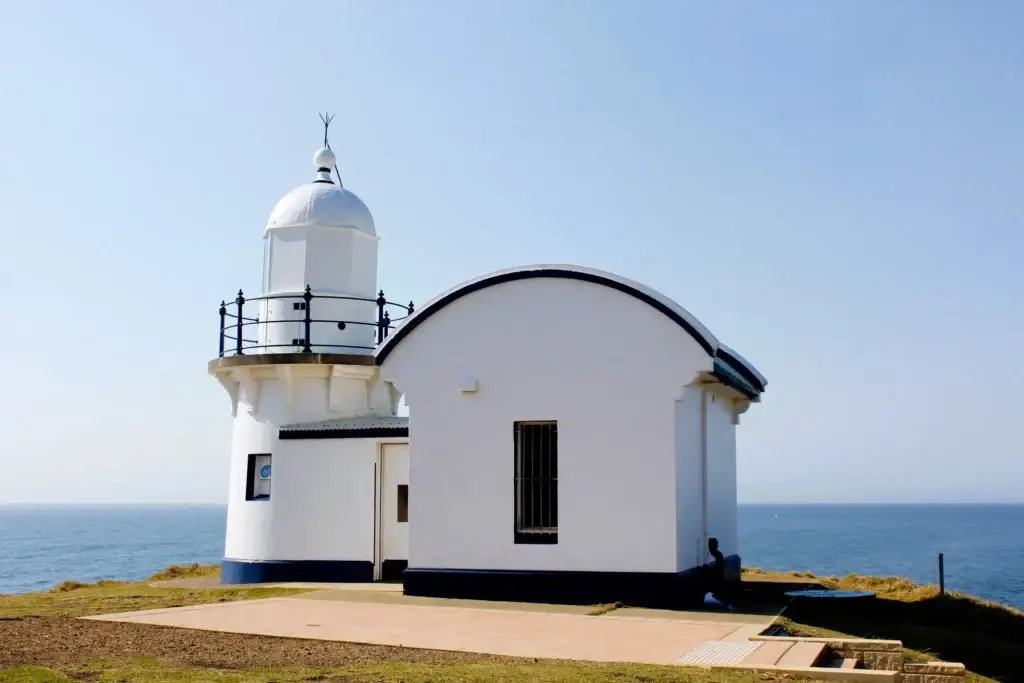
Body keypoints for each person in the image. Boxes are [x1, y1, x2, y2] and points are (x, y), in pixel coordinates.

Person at [706, 538, 734, 610]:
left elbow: (719, 567)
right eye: (716, 544)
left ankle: (728, 605)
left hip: (718, 577)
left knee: (719, 592)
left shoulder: (717, 554)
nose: (718, 545)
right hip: (718, 577)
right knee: (720, 593)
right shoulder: (717, 554)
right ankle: (727, 604)